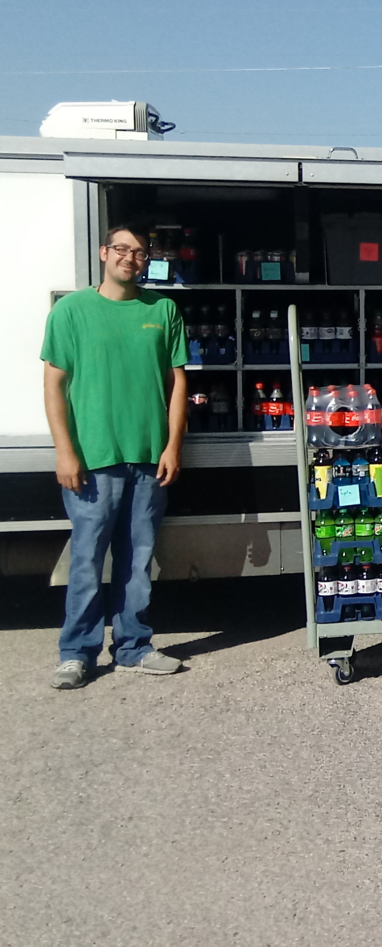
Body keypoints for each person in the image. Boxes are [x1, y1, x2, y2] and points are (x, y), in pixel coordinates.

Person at [43, 224, 189, 690]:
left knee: (138, 559)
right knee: (87, 560)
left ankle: (133, 647)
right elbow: (54, 384)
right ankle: (76, 653)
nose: (131, 258)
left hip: (148, 457)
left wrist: (173, 445)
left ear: (148, 261)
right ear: (104, 253)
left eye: (140, 252)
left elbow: (177, 383)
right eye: (122, 249)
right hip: (93, 459)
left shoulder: (163, 310)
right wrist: (65, 451)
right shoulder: (71, 311)